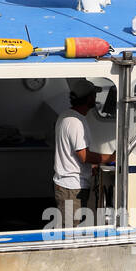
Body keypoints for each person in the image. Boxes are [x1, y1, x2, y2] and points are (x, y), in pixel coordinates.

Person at [52, 79, 115, 228]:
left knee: (70, 228)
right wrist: (111, 158)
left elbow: (73, 154)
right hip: (71, 188)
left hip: (69, 185)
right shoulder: (75, 122)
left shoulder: (67, 116)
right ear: (88, 98)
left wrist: (89, 167)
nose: (95, 98)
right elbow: (84, 156)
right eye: (94, 95)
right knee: (70, 231)